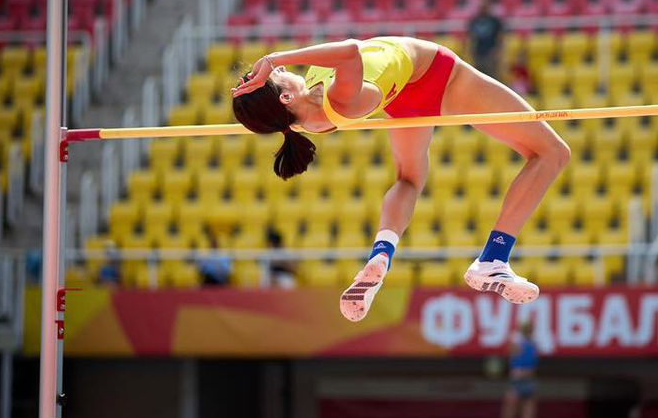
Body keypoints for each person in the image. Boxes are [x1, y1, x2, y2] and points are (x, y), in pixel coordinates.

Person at [231, 36, 570, 322]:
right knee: (553, 153)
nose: (280, 69)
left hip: (402, 96)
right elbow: (350, 50)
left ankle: (382, 252)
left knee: (408, 179)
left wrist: (257, 88)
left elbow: (288, 102)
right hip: (439, 77)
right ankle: (493, 259)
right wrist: (274, 57)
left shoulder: (305, 116)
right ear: (286, 98)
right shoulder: (338, 98)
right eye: (277, 76)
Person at [502, 320, 538, 418]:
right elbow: (531, 369)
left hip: (517, 385)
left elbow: (514, 362)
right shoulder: (534, 345)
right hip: (530, 385)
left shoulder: (517, 344)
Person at [467, 0, 505, 79]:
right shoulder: (474, 21)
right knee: (478, 76)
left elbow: (500, 37)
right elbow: (471, 37)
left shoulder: (494, 21)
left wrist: (498, 51)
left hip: (491, 53)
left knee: (492, 77)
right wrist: (471, 51)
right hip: (478, 53)